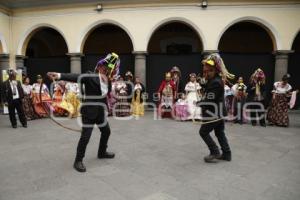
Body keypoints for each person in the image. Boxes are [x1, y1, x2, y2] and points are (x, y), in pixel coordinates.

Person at [47, 52, 119, 172]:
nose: (107, 70)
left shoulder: (108, 81)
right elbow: (75, 76)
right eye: (105, 67)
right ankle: (78, 161)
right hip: (89, 112)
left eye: (110, 69)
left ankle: (102, 152)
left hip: (100, 113)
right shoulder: (91, 76)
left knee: (106, 132)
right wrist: (59, 75)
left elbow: (104, 96)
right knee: (86, 137)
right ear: (100, 66)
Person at [197, 53, 234, 163]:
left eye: (209, 71)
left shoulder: (216, 82)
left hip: (214, 114)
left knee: (203, 132)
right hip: (219, 113)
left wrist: (199, 103)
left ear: (216, 70)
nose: (206, 73)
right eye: (205, 71)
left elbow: (209, 100)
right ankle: (227, 154)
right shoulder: (215, 80)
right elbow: (209, 88)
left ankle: (215, 151)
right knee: (219, 133)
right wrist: (203, 84)